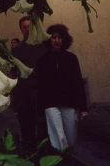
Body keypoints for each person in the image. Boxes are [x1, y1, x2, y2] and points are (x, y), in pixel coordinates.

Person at [35, 24, 88, 152]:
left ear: (64, 40)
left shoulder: (71, 59)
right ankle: (62, 160)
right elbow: (39, 85)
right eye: (53, 37)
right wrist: (40, 107)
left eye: (59, 37)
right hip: (50, 104)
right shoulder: (43, 60)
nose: (56, 40)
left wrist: (83, 108)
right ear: (49, 39)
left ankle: (67, 156)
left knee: (71, 138)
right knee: (58, 136)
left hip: (69, 103)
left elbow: (78, 83)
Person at [11, 16, 46, 152]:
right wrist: (13, 94)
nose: (27, 29)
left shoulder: (43, 47)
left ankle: (43, 155)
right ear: (21, 30)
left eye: (29, 27)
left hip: (41, 93)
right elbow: (13, 73)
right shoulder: (16, 50)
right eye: (24, 27)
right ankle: (29, 155)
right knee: (26, 128)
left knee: (43, 127)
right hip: (23, 94)